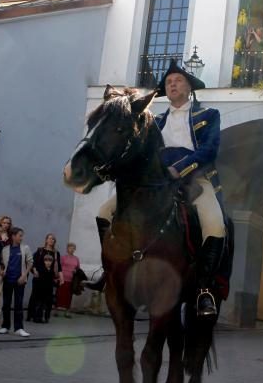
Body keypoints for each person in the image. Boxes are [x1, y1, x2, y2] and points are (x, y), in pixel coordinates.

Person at [96, 59, 227, 318]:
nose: (172, 84)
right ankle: (110, 271)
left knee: (215, 225)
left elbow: (208, 151)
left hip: (195, 179)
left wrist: (179, 168)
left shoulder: (209, 115)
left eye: (178, 80)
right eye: (168, 82)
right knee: (103, 212)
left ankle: (203, 290)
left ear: (189, 87)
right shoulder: (153, 120)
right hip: (156, 181)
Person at [0, 227, 33, 337]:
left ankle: (19, 328)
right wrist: (1, 271)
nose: (21, 238)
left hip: (20, 281)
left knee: (18, 304)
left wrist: (24, 275)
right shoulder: (5, 250)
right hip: (8, 280)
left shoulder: (25, 248)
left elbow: (30, 262)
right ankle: (5, 326)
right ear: (13, 236)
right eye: (20, 235)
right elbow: (1, 264)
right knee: (6, 304)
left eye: (22, 236)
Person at [29, 233, 62, 321]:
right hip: (39, 277)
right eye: (50, 238)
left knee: (48, 298)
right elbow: (33, 262)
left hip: (49, 278)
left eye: (53, 239)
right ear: (46, 240)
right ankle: (31, 315)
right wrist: (34, 270)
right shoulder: (40, 250)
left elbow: (59, 267)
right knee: (35, 296)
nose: (51, 240)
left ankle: (45, 316)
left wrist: (61, 278)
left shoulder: (56, 253)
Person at [30, 254, 58, 323]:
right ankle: (37, 317)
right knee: (40, 304)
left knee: (48, 305)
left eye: (50, 261)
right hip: (41, 290)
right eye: (46, 260)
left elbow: (53, 280)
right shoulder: (41, 269)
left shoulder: (52, 271)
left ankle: (46, 317)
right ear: (44, 261)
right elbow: (38, 280)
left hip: (49, 291)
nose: (48, 262)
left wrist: (55, 282)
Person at [58, 242, 81, 318]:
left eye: (73, 248)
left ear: (75, 249)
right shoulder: (63, 257)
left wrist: (75, 271)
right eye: (70, 247)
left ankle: (67, 312)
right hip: (62, 279)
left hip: (71, 281)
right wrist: (58, 277)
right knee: (59, 295)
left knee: (69, 296)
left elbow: (78, 269)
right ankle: (56, 310)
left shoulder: (76, 259)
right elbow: (59, 268)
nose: (72, 249)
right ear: (67, 249)